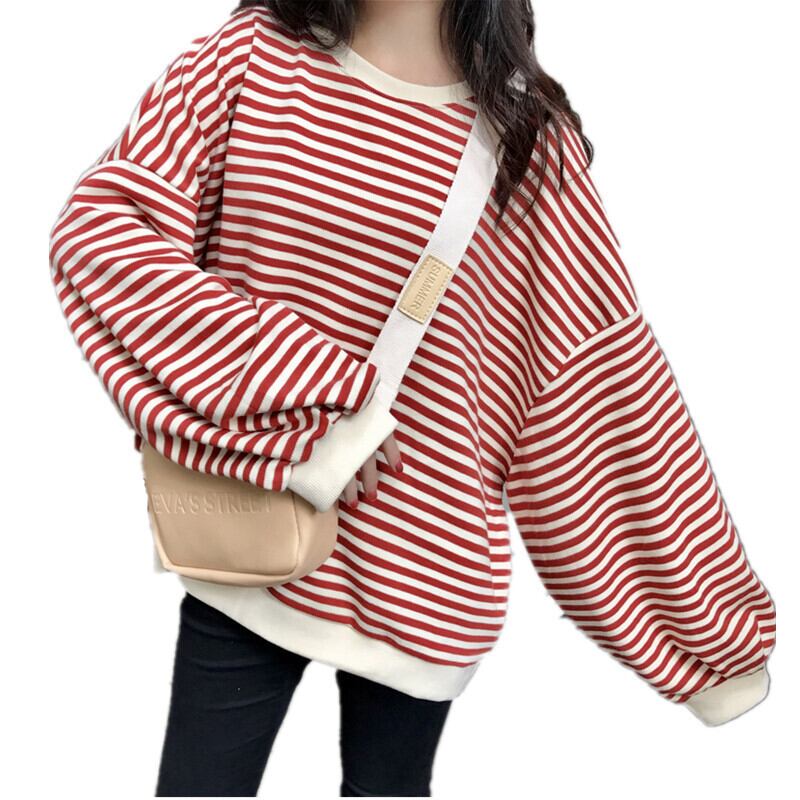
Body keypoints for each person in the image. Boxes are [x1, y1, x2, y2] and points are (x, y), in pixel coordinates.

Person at [47, 0, 777, 796]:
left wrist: (711, 644)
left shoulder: (526, 137)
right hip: (248, 545)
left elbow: (600, 397)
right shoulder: (250, 57)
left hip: (425, 579)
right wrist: (318, 404)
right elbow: (102, 235)